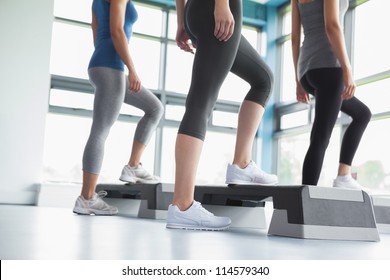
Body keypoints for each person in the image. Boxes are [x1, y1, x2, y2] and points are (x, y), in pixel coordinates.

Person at [166, 0, 278, 231]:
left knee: (263, 79)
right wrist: (222, 4)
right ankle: (182, 205)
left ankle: (242, 164)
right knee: (200, 102)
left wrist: (182, 19)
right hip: (214, 7)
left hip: (195, 10)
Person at [73, 0, 164, 215]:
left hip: (102, 63)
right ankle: (87, 198)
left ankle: (133, 166)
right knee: (101, 130)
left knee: (154, 108)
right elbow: (116, 30)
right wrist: (131, 69)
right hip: (111, 66)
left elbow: (97, 34)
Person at [291, 0, 371, 189]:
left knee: (362, 114)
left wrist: (297, 80)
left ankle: (343, 176)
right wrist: (346, 68)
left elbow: (295, 38)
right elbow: (332, 25)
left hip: (307, 72)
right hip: (328, 66)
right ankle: (305, 198)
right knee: (320, 137)